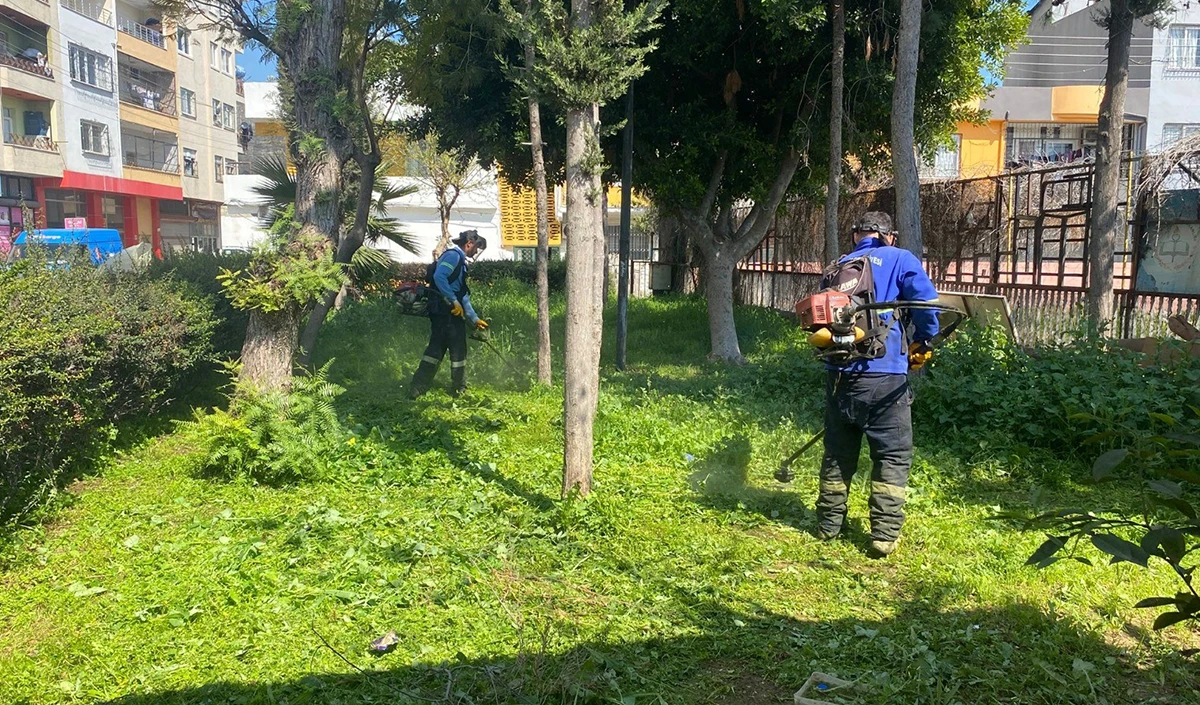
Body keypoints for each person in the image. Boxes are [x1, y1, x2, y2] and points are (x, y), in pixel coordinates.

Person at [814, 211, 939, 558]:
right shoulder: (900, 258)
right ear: (890, 236)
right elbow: (926, 305)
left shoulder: (837, 267)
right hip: (885, 378)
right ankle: (883, 535)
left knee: (838, 454)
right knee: (892, 455)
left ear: (857, 235)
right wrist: (924, 341)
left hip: (839, 375)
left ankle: (828, 525)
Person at [408, 230, 489, 398]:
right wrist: (453, 301)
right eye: (477, 248)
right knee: (457, 349)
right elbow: (440, 276)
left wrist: (474, 318)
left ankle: (418, 387)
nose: (476, 252)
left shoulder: (460, 261)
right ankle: (458, 388)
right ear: (469, 244)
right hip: (445, 311)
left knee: (436, 348)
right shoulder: (453, 256)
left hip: (447, 311)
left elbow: (462, 294)